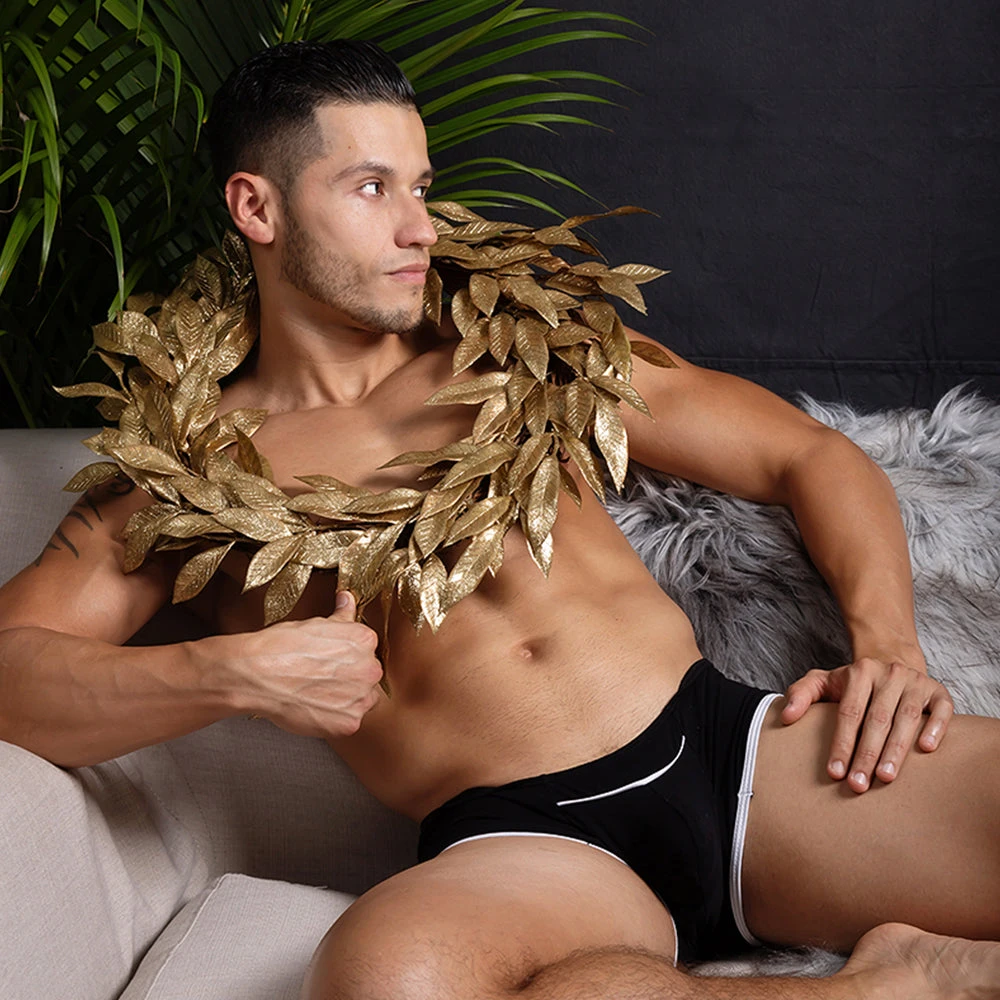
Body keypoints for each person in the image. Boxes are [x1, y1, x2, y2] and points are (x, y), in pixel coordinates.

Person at [0, 39, 997, 1000]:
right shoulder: (180, 476)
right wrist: (231, 674)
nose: (418, 227)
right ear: (257, 206)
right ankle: (890, 986)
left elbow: (807, 455)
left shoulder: (529, 351)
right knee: (384, 984)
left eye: (420, 186)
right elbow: (12, 667)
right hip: (522, 846)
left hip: (730, 758)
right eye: (370, 188)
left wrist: (889, 646)